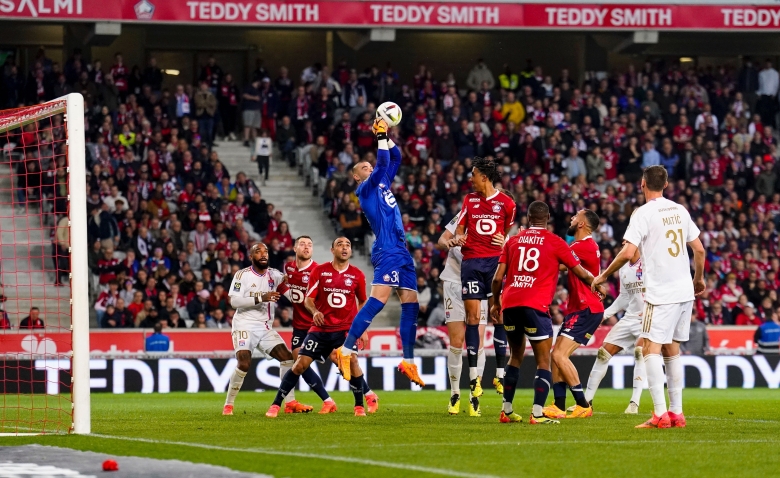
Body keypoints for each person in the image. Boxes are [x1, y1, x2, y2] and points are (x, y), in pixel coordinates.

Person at [593, 165, 706, 429]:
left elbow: (626, 252)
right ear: (665, 184)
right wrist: (698, 279)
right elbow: (699, 250)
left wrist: (605, 275)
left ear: (642, 183)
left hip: (661, 293)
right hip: (684, 292)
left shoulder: (643, 214)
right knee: (672, 350)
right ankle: (676, 413)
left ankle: (659, 414)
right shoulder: (680, 210)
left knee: (648, 349)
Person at [491, 201, 604, 424]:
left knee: (517, 357)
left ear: (528, 217)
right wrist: (598, 283)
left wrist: (496, 303)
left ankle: (507, 411)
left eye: (575, 216)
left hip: (511, 303)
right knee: (545, 360)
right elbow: (576, 270)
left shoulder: (513, 241)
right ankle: (540, 412)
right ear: (548, 218)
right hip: (536, 305)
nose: (571, 219)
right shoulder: (556, 243)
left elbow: (497, 278)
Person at [336, 119, 424, 387]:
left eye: (370, 165)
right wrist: (380, 134)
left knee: (411, 303)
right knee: (379, 301)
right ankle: (346, 350)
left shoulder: (382, 181)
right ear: (356, 176)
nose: (370, 167)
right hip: (387, 248)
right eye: (364, 167)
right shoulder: (365, 189)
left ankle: (408, 362)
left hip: (401, 249)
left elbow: (394, 156)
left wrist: (388, 137)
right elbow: (384, 163)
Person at [267, 237, 369, 418]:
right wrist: (314, 310)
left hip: (337, 328)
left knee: (348, 361)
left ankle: (362, 401)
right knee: (299, 364)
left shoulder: (353, 274)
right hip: (314, 327)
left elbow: (362, 301)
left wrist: (362, 327)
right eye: (340, 245)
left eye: (348, 245)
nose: (344, 248)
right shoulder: (302, 269)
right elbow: (306, 298)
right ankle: (279, 404)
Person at [222, 243, 324, 416]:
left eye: (266, 251)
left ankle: (290, 402)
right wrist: (262, 297)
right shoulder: (242, 275)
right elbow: (234, 302)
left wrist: (312, 298)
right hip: (244, 324)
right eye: (258, 251)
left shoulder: (275, 275)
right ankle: (228, 405)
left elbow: (292, 295)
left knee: (288, 358)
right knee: (244, 363)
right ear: (251, 257)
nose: (263, 254)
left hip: (265, 327)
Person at [453, 157, 516, 399]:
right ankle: (473, 379)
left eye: (473, 175)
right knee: (472, 318)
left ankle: (499, 374)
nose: (470, 179)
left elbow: (506, 232)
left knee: (497, 314)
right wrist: (460, 236)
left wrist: (504, 241)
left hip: (495, 264)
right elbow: (460, 227)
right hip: (471, 263)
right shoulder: (469, 200)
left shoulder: (507, 204)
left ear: (484, 177)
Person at [544, 209, 604, 419]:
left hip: (586, 308)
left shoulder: (582, 246)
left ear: (582, 224)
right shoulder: (585, 246)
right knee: (556, 355)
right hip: (579, 308)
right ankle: (559, 405)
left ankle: (582, 404)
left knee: (560, 355)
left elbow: (557, 263)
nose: (571, 218)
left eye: (576, 216)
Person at [436, 212, 494, 416]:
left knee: (478, 341)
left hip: (479, 281)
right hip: (453, 281)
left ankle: (474, 397)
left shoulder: (495, 220)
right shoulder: (464, 214)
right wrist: (452, 242)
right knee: (456, 340)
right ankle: (454, 394)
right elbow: (442, 240)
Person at [580, 241, 646, 415]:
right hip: (630, 317)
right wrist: (604, 315)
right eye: (622, 243)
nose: (623, 245)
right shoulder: (623, 269)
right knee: (603, 354)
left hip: (648, 318)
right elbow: (624, 298)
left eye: (627, 243)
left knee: (640, 352)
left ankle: (634, 403)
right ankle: (587, 402)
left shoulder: (649, 261)